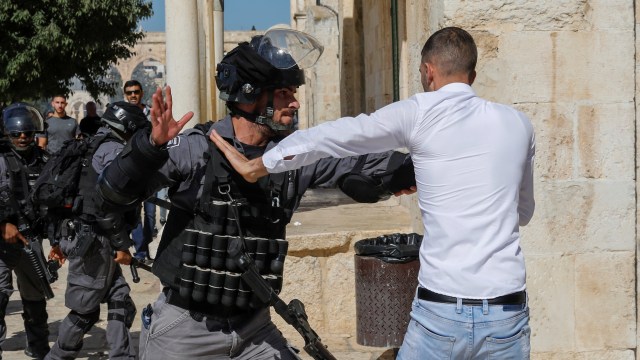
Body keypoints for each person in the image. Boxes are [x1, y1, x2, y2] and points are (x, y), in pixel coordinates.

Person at [210, 27, 536, 359]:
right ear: (473, 74)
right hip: (505, 311)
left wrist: (261, 164)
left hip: (442, 313)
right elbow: (522, 213)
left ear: (428, 71)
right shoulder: (519, 124)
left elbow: (336, 136)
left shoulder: (419, 113)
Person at [96, 28, 415, 360]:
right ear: (251, 96)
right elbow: (111, 193)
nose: (295, 102)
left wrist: (414, 167)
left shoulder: (293, 157)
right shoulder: (197, 148)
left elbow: (359, 161)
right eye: (284, 93)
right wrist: (149, 148)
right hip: (184, 330)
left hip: (255, 329)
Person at [44, 102, 147, 360]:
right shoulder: (113, 151)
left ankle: (122, 355)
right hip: (95, 240)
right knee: (85, 310)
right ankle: (57, 356)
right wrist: (123, 245)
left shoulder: (90, 145)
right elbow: (107, 207)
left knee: (119, 299)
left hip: (86, 236)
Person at [0, 103, 55, 359]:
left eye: (27, 134)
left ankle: (38, 348)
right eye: (16, 134)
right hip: (2, 240)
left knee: (35, 297)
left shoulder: (44, 160)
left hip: (29, 239)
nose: (22, 138)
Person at [123, 80, 157, 262]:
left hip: (150, 168)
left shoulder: (151, 113)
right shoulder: (122, 114)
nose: (133, 95)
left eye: (136, 92)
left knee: (150, 214)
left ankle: (146, 241)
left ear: (141, 93)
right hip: (131, 167)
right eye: (129, 92)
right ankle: (141, 252)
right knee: (135, 211)